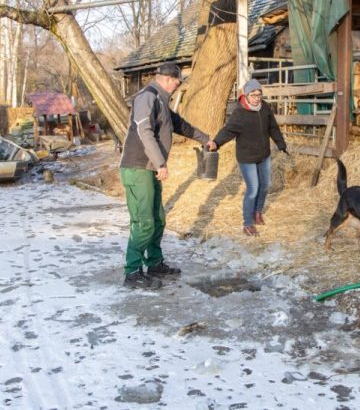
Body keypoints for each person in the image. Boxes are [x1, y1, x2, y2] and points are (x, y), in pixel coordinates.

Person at [119, 61, 209, 289]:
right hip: (138, 167)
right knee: (144, 221)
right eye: (178, 82)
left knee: (158, 219)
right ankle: (132, 272)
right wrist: (160, 162)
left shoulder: (161, 101)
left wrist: (205, 138)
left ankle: (155, 263)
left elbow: (180, 125)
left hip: (150, 168)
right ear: (168, 79)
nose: (178, 86)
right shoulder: (147, 97)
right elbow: (144, 131)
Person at [207, 79, 288, 237]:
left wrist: (281, 144)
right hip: (247, 157)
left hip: (263, 155)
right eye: (254, 95)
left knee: (265, 186)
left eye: (259, 94)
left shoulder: (264, 108)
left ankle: (257, 212)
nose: (257, 98)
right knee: (253, 189)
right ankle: (247, 224)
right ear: (246, 95)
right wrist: (216, 142)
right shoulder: (240, 113)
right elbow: (228, 130)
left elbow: (273, 127)